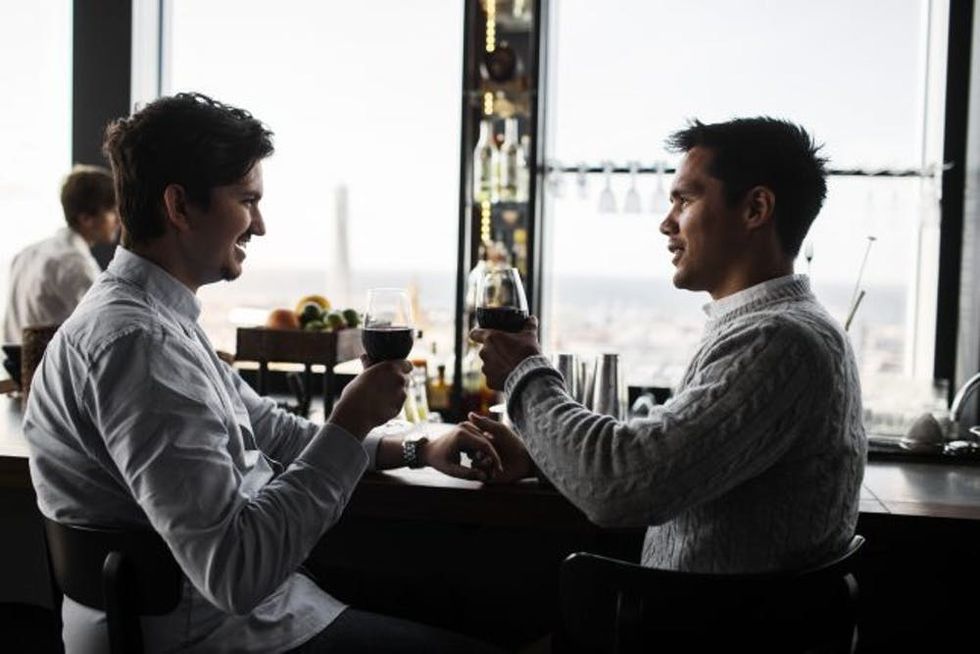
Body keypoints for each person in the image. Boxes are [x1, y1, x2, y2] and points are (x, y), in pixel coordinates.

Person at [24, 93, 502, 654]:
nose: (262, 225)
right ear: (179, 207)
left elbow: (273, 431)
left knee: (463, 601)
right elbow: (236, 574)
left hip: (247, 614)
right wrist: (349, 423)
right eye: (247, 200)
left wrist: (419, 447)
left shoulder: (151, 318)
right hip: (220, 636)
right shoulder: (140, 346)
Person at [469, 117, 867, 574]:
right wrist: (542, 458)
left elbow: (620, 484)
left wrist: (525, 372)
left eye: (685, 199)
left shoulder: (780, 341)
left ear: (756, 208)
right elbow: (673, 470)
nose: (665, 223)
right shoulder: (774, 328)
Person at [3, 165, 119, 344]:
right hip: (47, 368)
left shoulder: (26, 254)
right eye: (111, 211)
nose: (118, 219)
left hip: (18, 367)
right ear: (86, 218)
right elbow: (105, 326)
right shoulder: (73, 262)